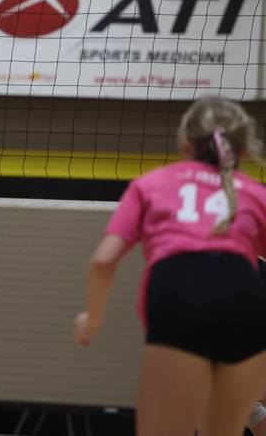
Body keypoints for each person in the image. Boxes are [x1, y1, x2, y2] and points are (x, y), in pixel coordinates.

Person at [74, 96, 266, 436]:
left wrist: (93, 318)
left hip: (180, 291)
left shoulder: (152, 184)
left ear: (185, 142)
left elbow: (103, 261)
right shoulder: (256, 193)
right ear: (242, 147)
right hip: (245, 298)